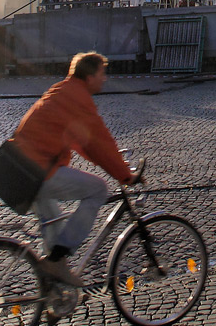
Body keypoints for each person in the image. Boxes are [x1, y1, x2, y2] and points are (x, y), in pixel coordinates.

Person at [14, 52, 134, 287]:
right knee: (98, 189)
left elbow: (82, 142)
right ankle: (57, 262)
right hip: (39, 169)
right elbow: (99, 141)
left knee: (55, 227)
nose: (105, 79)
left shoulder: (63, 90)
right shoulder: (78, 99)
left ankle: (54, 294)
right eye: (102, 74)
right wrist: (125, 175)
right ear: (90, 76)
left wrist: (109, 163)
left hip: (21, 166)